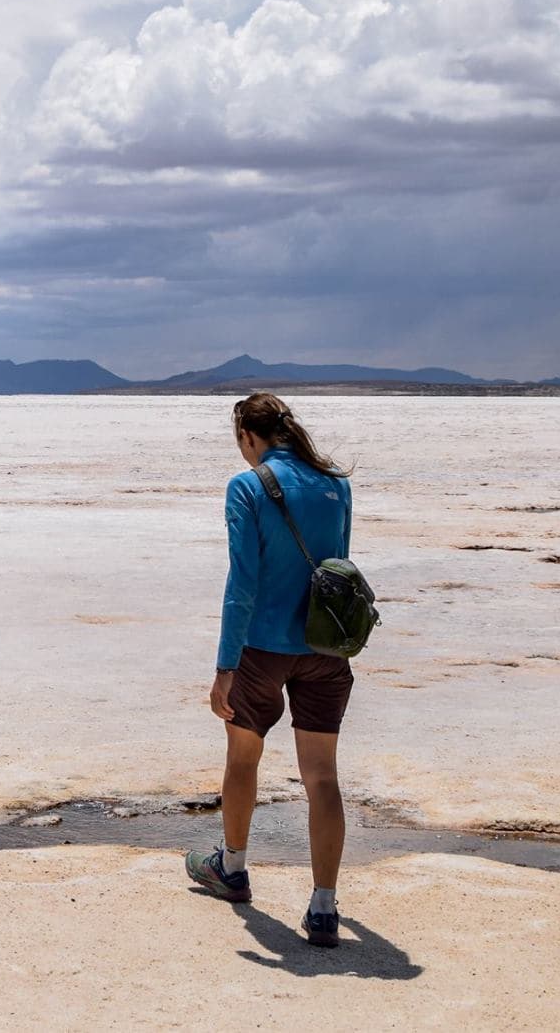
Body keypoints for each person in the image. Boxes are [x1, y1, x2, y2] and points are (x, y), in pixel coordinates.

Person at [184, 392, 354, 948]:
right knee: (322, 776)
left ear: (248, 436)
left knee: (243, 757)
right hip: (325, 647)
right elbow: (338, 569)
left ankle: (231, 869)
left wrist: (225, 666)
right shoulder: (336, 485)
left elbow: (243, 582)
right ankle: (324, 907)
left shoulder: (248, 486)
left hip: (262, 648)